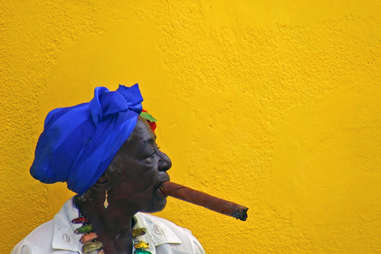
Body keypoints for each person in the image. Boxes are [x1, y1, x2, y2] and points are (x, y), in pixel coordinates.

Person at [11, 84, 205, 254]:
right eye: (148, 154)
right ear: (103, 176)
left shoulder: (182, 247)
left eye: (158, 150)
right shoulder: (36, 250)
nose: (165, 162)